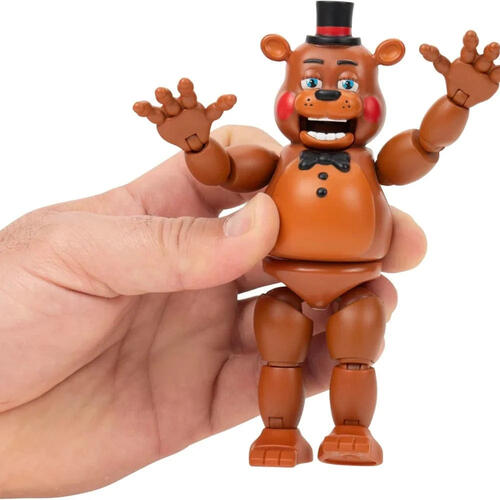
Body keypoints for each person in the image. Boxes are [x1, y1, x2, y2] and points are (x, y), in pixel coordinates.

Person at [0, 126, 426, 497]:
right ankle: (279, 432)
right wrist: (198, 145)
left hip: (354, 283)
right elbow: (228, 171)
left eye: (348, 83)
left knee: (356, 347)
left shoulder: (369, 162)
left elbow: (422, 148)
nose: (328, 97)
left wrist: (453, 105)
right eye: (311, 82)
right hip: (285, 282)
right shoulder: (279, 161)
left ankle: (352, 430)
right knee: (279, 353)